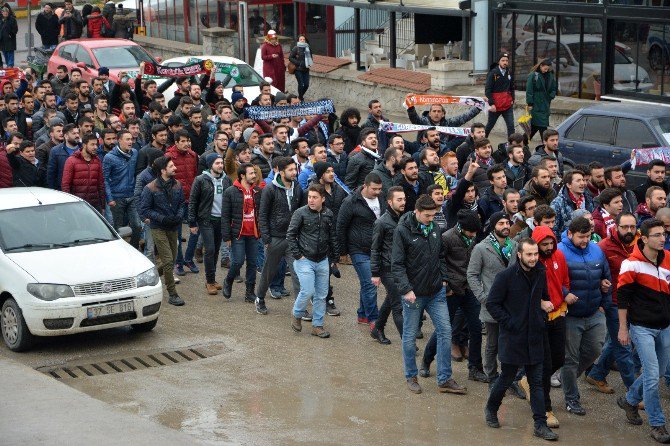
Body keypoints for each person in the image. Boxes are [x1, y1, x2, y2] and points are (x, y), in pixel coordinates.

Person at [484, 238, 559, 441]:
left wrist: (543, 309)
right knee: (506, 378)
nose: (534, 258)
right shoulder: (506, 277)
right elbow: (492, 304)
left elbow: (543, 297)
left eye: (535, 254)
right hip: (513, 337)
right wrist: (510, 323)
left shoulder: (540, 272)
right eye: (529, 254)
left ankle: (540, 424)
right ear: (519, 254)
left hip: (535, 335)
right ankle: (491, 409)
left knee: (536, 381)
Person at [393, 194, 466, 395]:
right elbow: (397, 265)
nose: (431, 219)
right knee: (409, 337)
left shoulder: (434, 228)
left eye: (433, 215)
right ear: (416, 212)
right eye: (427, 216)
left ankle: (444, 379)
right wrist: (406, 290)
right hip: (413, 295)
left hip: (436, 292)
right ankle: (411, 376)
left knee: (445, 331)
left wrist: (443, 279)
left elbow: (441, 256)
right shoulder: (402, 231)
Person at [617, 218, 670, 444]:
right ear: (645, 238)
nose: (662, 238)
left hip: (665, 326)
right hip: (641, 327)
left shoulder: (668, 259)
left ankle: (630, 400)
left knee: (657, 373)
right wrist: (623, 329)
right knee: (651, 376)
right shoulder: (631, 264)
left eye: (663, 234)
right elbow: (621, 299)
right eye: (657, 235)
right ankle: (657, 424)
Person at [558, 216, 611, 416]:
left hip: (594, 312)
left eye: (588, 236)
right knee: (570, 358)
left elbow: (606, 276)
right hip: (571, 315)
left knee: (595, 349)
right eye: (581, 237)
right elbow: (553, 281)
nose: (585, 240)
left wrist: (605, 288)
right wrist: (565, 294)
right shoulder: (560, 252)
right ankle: (572, 399)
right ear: (570, 234)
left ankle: (567, 377)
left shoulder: (597, 250)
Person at [585, 212, 637, 394]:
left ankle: (597, 373)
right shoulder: (603, 247)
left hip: (636, 303)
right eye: (625, 227)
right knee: (624, 347)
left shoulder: (640, 244)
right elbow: (592, 272)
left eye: (633, 227)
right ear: (615, 227)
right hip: (614, 302)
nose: (629, 231)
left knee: (615, 341)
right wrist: (600, 286)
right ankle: (634, 392)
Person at [467, 212, 518, 383]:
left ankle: (507, 376)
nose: (505, 226)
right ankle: (491, 375)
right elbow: (472, 275)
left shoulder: (515, 246)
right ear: (493, 225)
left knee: (509, 343)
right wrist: (483, 297)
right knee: (492, 343)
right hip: (491, 303)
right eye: (501, 223)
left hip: (511, 304)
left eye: (507, 223)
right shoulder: (481, 248)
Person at [287, 184, 339, 338]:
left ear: (323, 199)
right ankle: (297, 314)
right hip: (304, 259)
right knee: (308, 290)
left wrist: (334, 259)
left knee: (322, 295)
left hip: (323, 259)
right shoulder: (300, 213)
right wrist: (298, 255)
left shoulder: (328, 214)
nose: (311, 200)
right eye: (309, 197)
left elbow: (332, 237)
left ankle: (318, 325)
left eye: (315, 197)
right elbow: (290, 235)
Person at [256, 157, 304, 315]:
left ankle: (299, 308)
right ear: (280, 171)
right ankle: (260, 298)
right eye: (290, 170)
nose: (294, 172)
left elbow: (301, 211)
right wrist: (266, 238)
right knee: (269, 272)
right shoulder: (270, 189)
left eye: (295, 169)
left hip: (292, 238)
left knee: (297, 274)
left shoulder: (297, 187)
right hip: (275, 238)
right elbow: (262, 214)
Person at [338, 172, 385, 327]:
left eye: (379, 189)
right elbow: (341, 226)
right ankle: (373, 318)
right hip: (358, 249)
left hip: (377, 248)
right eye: (374, 189)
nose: (377, 192)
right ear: (365, 186)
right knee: (370, 283)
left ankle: (362, 314)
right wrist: (343, 252)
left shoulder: (382, 199)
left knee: (366, 284)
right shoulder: (351, 201)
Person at [139, 156, 185, 307]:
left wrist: (178, 216)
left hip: (173, 226)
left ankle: (148, 278)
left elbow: (182, 205)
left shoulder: (177, 185)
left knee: (171, 259)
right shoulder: (150, 188)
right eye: (171, 166)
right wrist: (162, 218)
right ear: (163, 170)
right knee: (168, 260)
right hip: (158, 227)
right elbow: (145, 209)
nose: (175, 168)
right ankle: (172, 294)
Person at [189, 153, 232, 295]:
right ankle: (209, 281)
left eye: (221, 163)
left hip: (221, 219)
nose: (220, 165)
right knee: (210, 249)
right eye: (217, 163)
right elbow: (193, 201)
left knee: (216, 250)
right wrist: (192, 222)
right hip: (206, 219)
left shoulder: (226, 180)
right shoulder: (201, 180)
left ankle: (212, 280)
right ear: (210, 165)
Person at [370, 186, 406, 344]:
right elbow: (375, 248)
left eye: (404, 199)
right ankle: (408, 340)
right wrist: (375, 273)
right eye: (399, 200)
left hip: (400, 268)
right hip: (387, 269)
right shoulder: (382, 222)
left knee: (391, 300)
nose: (403, 202)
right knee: (398, 305)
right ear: (390, 202)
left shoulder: (404, 219)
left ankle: (378, 328)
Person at [221, 163, 261, 301]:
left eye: (254, 173)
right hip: (238, 233)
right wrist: (226, 236)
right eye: (251, 173)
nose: (254, 176)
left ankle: (249, 292)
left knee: (252, 263)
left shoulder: (257, 191)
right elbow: (225, 216)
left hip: (253, 234)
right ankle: (228, 280)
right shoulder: (230, 192)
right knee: (237, 261)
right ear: (242, 175)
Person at [103, 129, 142, 249]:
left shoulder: (135, 153)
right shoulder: (109, 157)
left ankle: (134, 248)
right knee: (117, 228)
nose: (130, 141)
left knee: (137, 225)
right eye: (127, 139)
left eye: (131, 139)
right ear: (119, 140)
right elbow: (105, 179)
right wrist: (109, 198)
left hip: (132, 195)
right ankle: (117, 250)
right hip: (117, 197)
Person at [61, 133, 105, 212]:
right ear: (84, 145)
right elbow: (65, 184)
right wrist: (69, 204)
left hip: (94, 204)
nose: (95, 147)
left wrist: (102, 206)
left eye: (96, 144)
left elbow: (100, 184)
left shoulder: (97, 160)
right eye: (92, 144)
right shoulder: (71, 161)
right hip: (77, 204)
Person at [550, 169, 595, 236]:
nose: (583, 183)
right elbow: (554, 229)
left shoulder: (588, 199)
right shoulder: (557, 203)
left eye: (583, 180)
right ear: (569, 185)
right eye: (578, 181)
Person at [484, 53, 515, 137]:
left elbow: (512, 87)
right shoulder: (493, 73)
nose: (505, 62)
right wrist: (492, 104)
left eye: (506, 60)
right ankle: (481, 141)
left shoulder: (509, 72)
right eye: (503, 60)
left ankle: (512, 146)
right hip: (495, 106)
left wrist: (512, 99)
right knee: (490, 125)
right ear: (499, 62)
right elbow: (488, 90)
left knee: (511, 125)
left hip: (507, 105)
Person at [526, 59, 557, 141]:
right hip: (536, 105)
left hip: (545, 105)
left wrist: (551, 96)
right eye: (545, 69)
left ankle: (522, 142)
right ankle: (546, 145)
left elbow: (554, 88)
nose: (546, 71)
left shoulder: (550, 75)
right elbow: (529, 90)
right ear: (541, 66)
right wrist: (530, 103)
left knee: (535, 127)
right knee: (542, 127)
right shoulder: (533, 75)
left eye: (548, 69)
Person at [288, 34, 312, 102]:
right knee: (301, 84)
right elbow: (290, 57)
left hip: (306, 69)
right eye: (301, 39)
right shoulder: (296, 48)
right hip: (298, 69)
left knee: (306, 85)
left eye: (303, 39)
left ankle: (299, 97)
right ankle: (301, 99)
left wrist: (310, 63)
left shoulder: (308, 47)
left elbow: (310, 57)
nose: (302, 40)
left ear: (305, 40)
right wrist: (299, 63)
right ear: (298, 40)